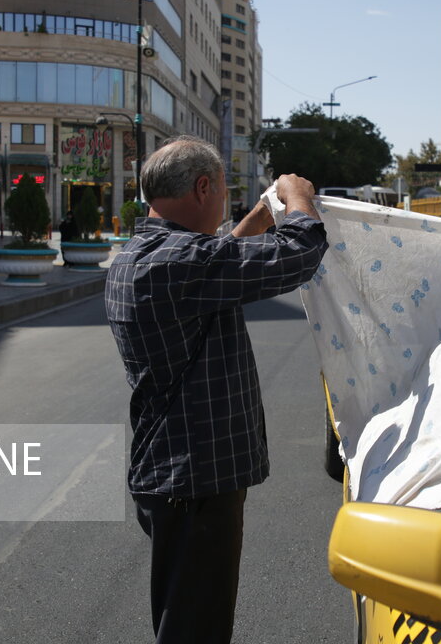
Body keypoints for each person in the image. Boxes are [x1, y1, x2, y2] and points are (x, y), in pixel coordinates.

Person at [105, 136, 327, 644]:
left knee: (186, 616)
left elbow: (222, 257)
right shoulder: (179, 263)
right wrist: (297, 199)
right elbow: (298, 255)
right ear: (203, 187)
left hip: (172, 470)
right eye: (224, 189)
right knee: (194, 629)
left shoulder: (142, 255)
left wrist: (260, 217)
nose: (226, 201)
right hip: (196, 480)